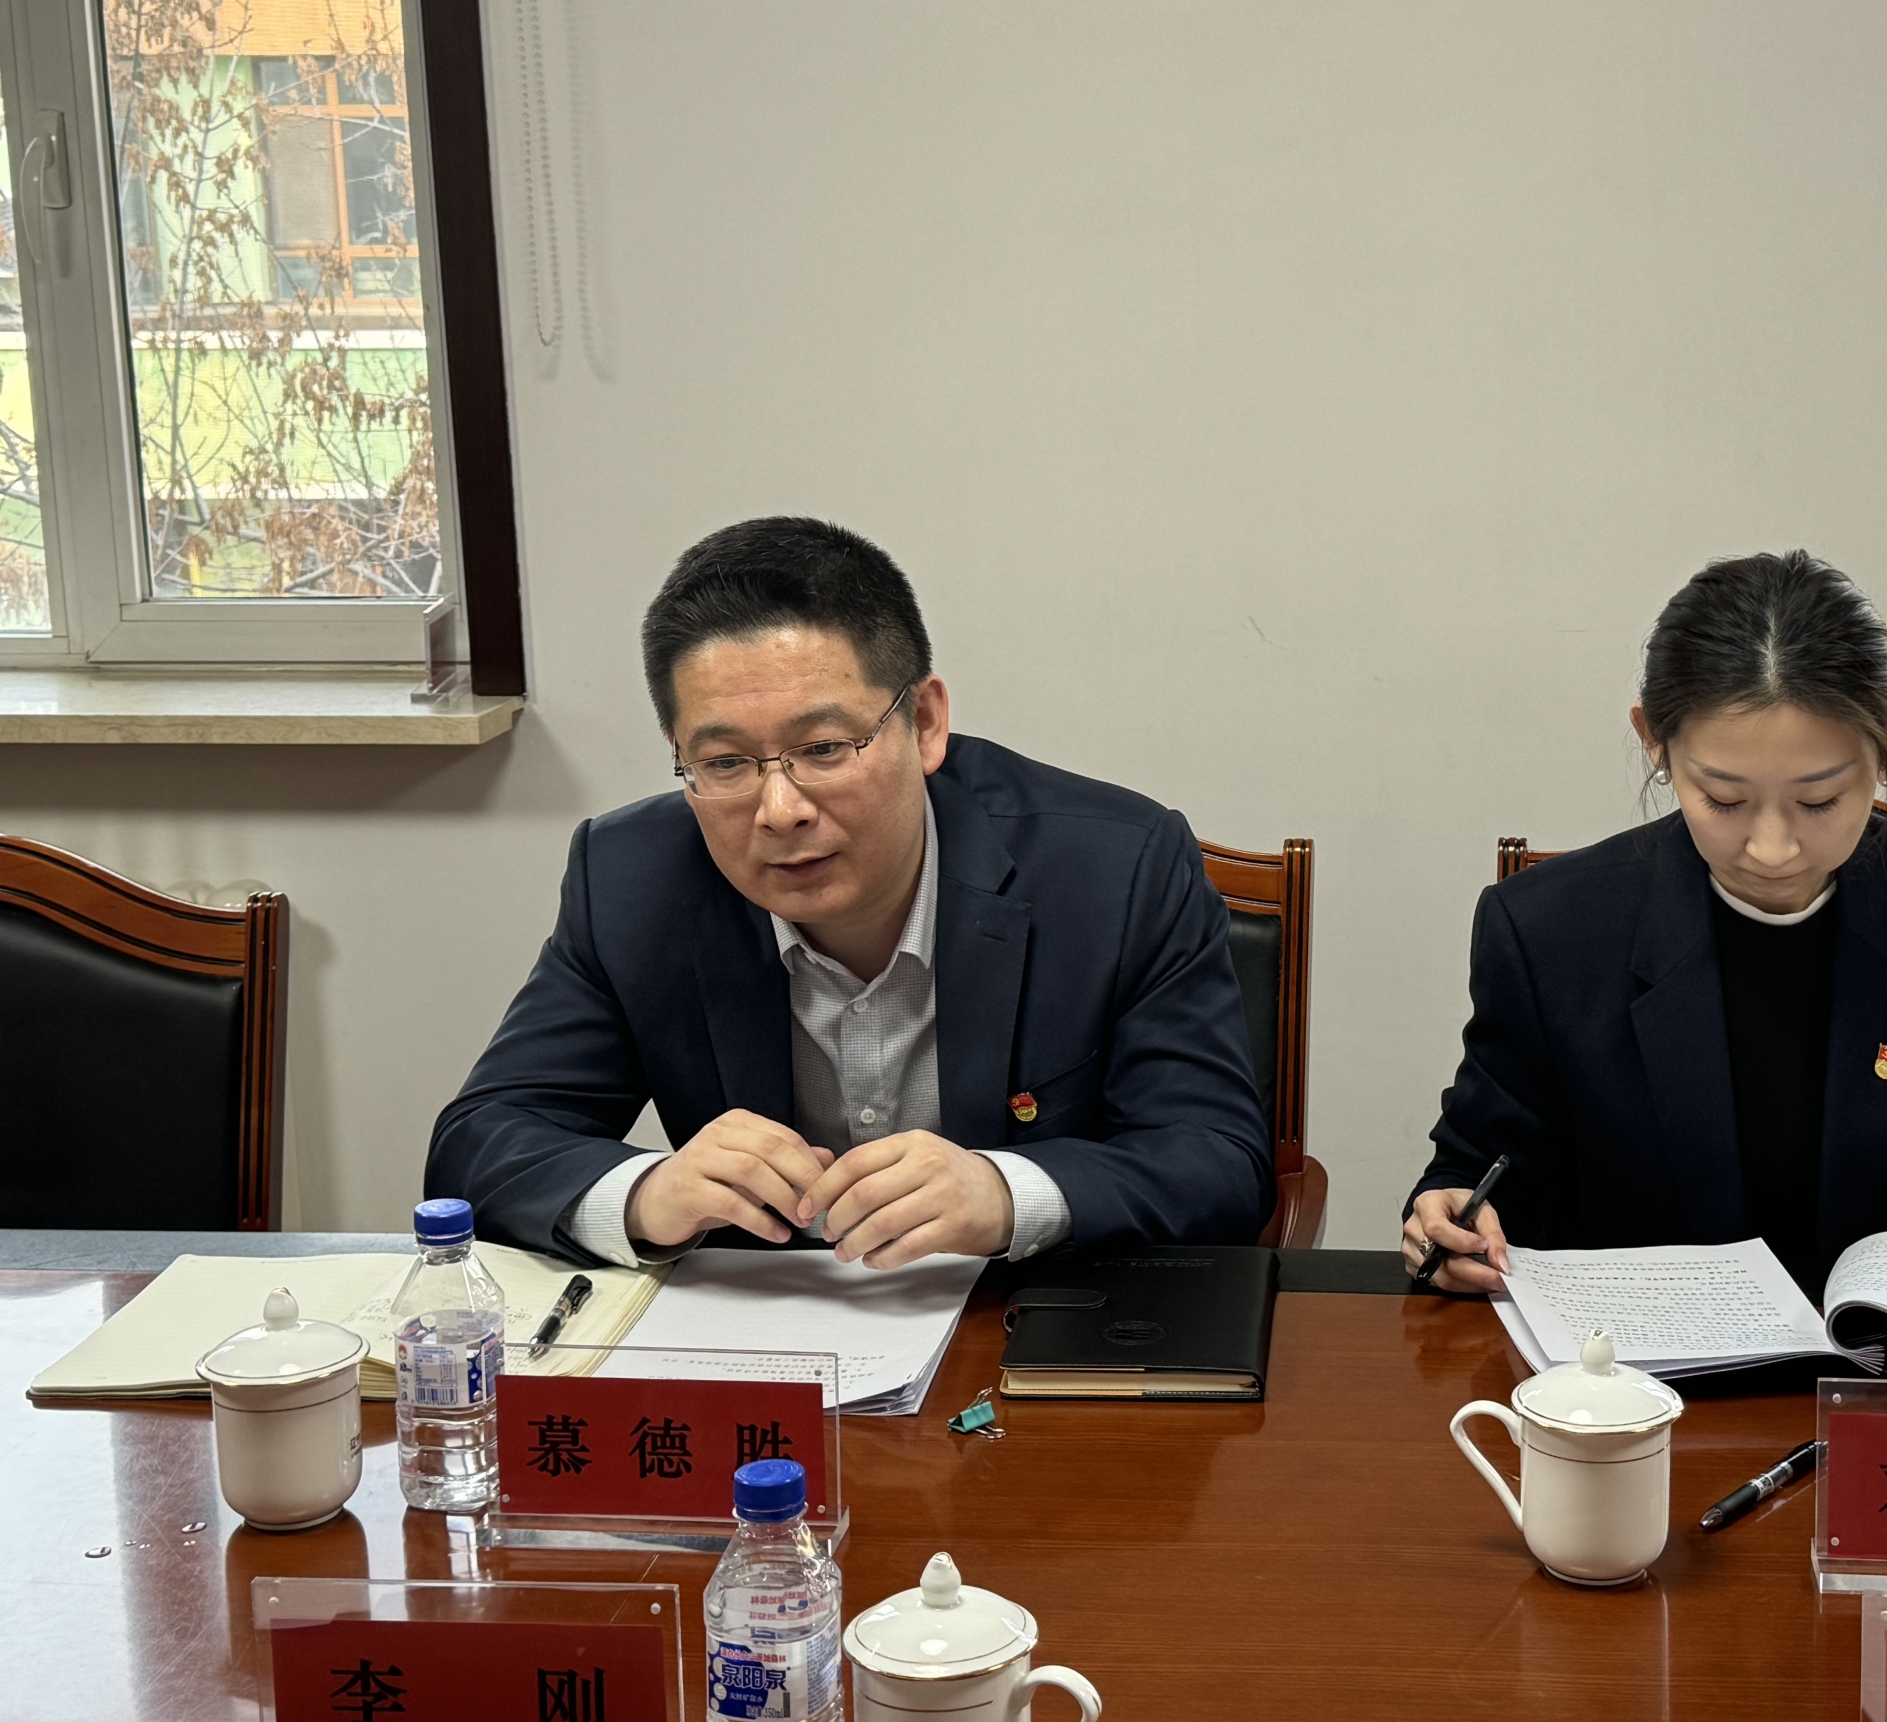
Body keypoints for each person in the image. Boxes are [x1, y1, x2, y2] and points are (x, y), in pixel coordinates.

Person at [428, 516, 1274, 1269]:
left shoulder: (1113, 869)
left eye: (825, 748)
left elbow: (1217, 1160)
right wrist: (647, 1192)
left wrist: (1005, 1193)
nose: (780, 809)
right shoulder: (629, 878)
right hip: (760, 1352)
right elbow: (480, 1143)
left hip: (1018, 1339)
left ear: (925, 723)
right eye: (725, 763)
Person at [1404, 550, 1887, 1298]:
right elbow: (1477, 1173)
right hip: (1635, 1373)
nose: (1772, 847)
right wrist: (1450, 1219)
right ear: (1654, 742)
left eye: (1819, 800)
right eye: (1724, 799)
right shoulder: (1550, 931)